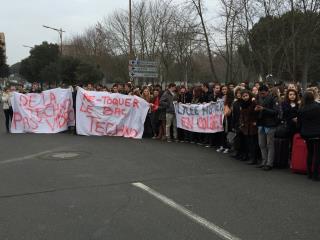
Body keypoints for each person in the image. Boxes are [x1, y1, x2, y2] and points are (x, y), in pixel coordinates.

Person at [255, 85, 280, 170]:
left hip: (270, 124)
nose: (262, 94)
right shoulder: (258, 98)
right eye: (260, 93)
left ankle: (269, 163)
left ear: (267, 92)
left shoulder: (273, 98)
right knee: (261, 144)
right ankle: (264, 161)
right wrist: (256, 110)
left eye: (263, 93)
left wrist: (263, 109)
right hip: (261, 124)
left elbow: (276, 112)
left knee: (270, 145)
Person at [298, 91, 320, 181]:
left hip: (306, 133)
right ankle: (315, 174)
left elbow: (299, 124)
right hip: (318, 133)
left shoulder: (301, 109)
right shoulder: (318, 107)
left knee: (310, 153)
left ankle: (309, 173)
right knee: (317, 154)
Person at [239, 90, 259, 164]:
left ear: (249, 95)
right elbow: (241, 115)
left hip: (252, 125)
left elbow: (256, 112)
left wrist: (255, 121)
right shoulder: (242, 104)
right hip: (245, 125)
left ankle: (254, 159)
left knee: (253, 143)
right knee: (248, 143)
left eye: (246, 95)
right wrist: (241, 123)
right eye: (243, 96)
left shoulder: (253, 103)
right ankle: (250, 157)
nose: (245, 97)